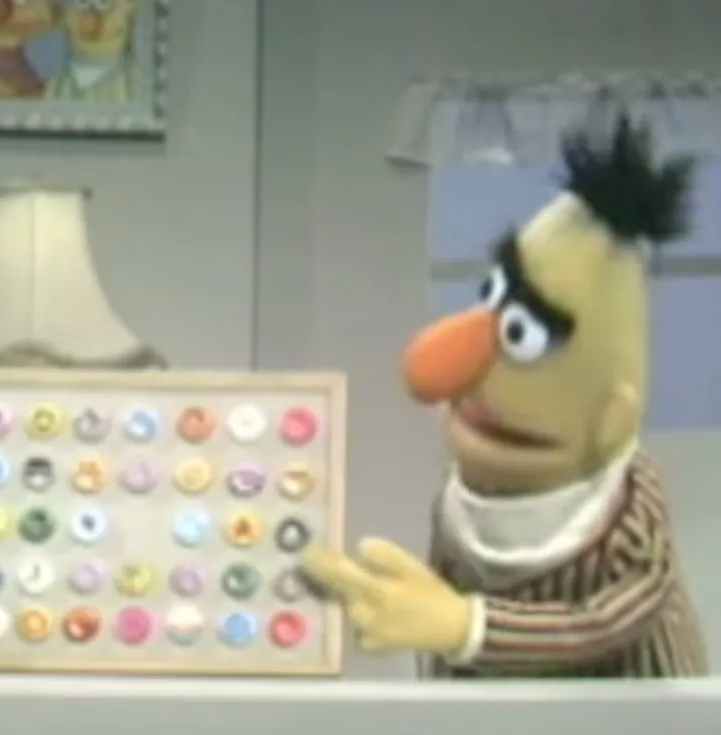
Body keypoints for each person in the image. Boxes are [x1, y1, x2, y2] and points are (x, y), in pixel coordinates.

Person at [301, 114, 709, 677]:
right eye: (492, 294)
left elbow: (608, 621)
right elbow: (442, 612)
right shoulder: (463, 499)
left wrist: (467, 627)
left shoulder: (631, 516)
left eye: (521, 333)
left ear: (613, 419)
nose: (446, 365)